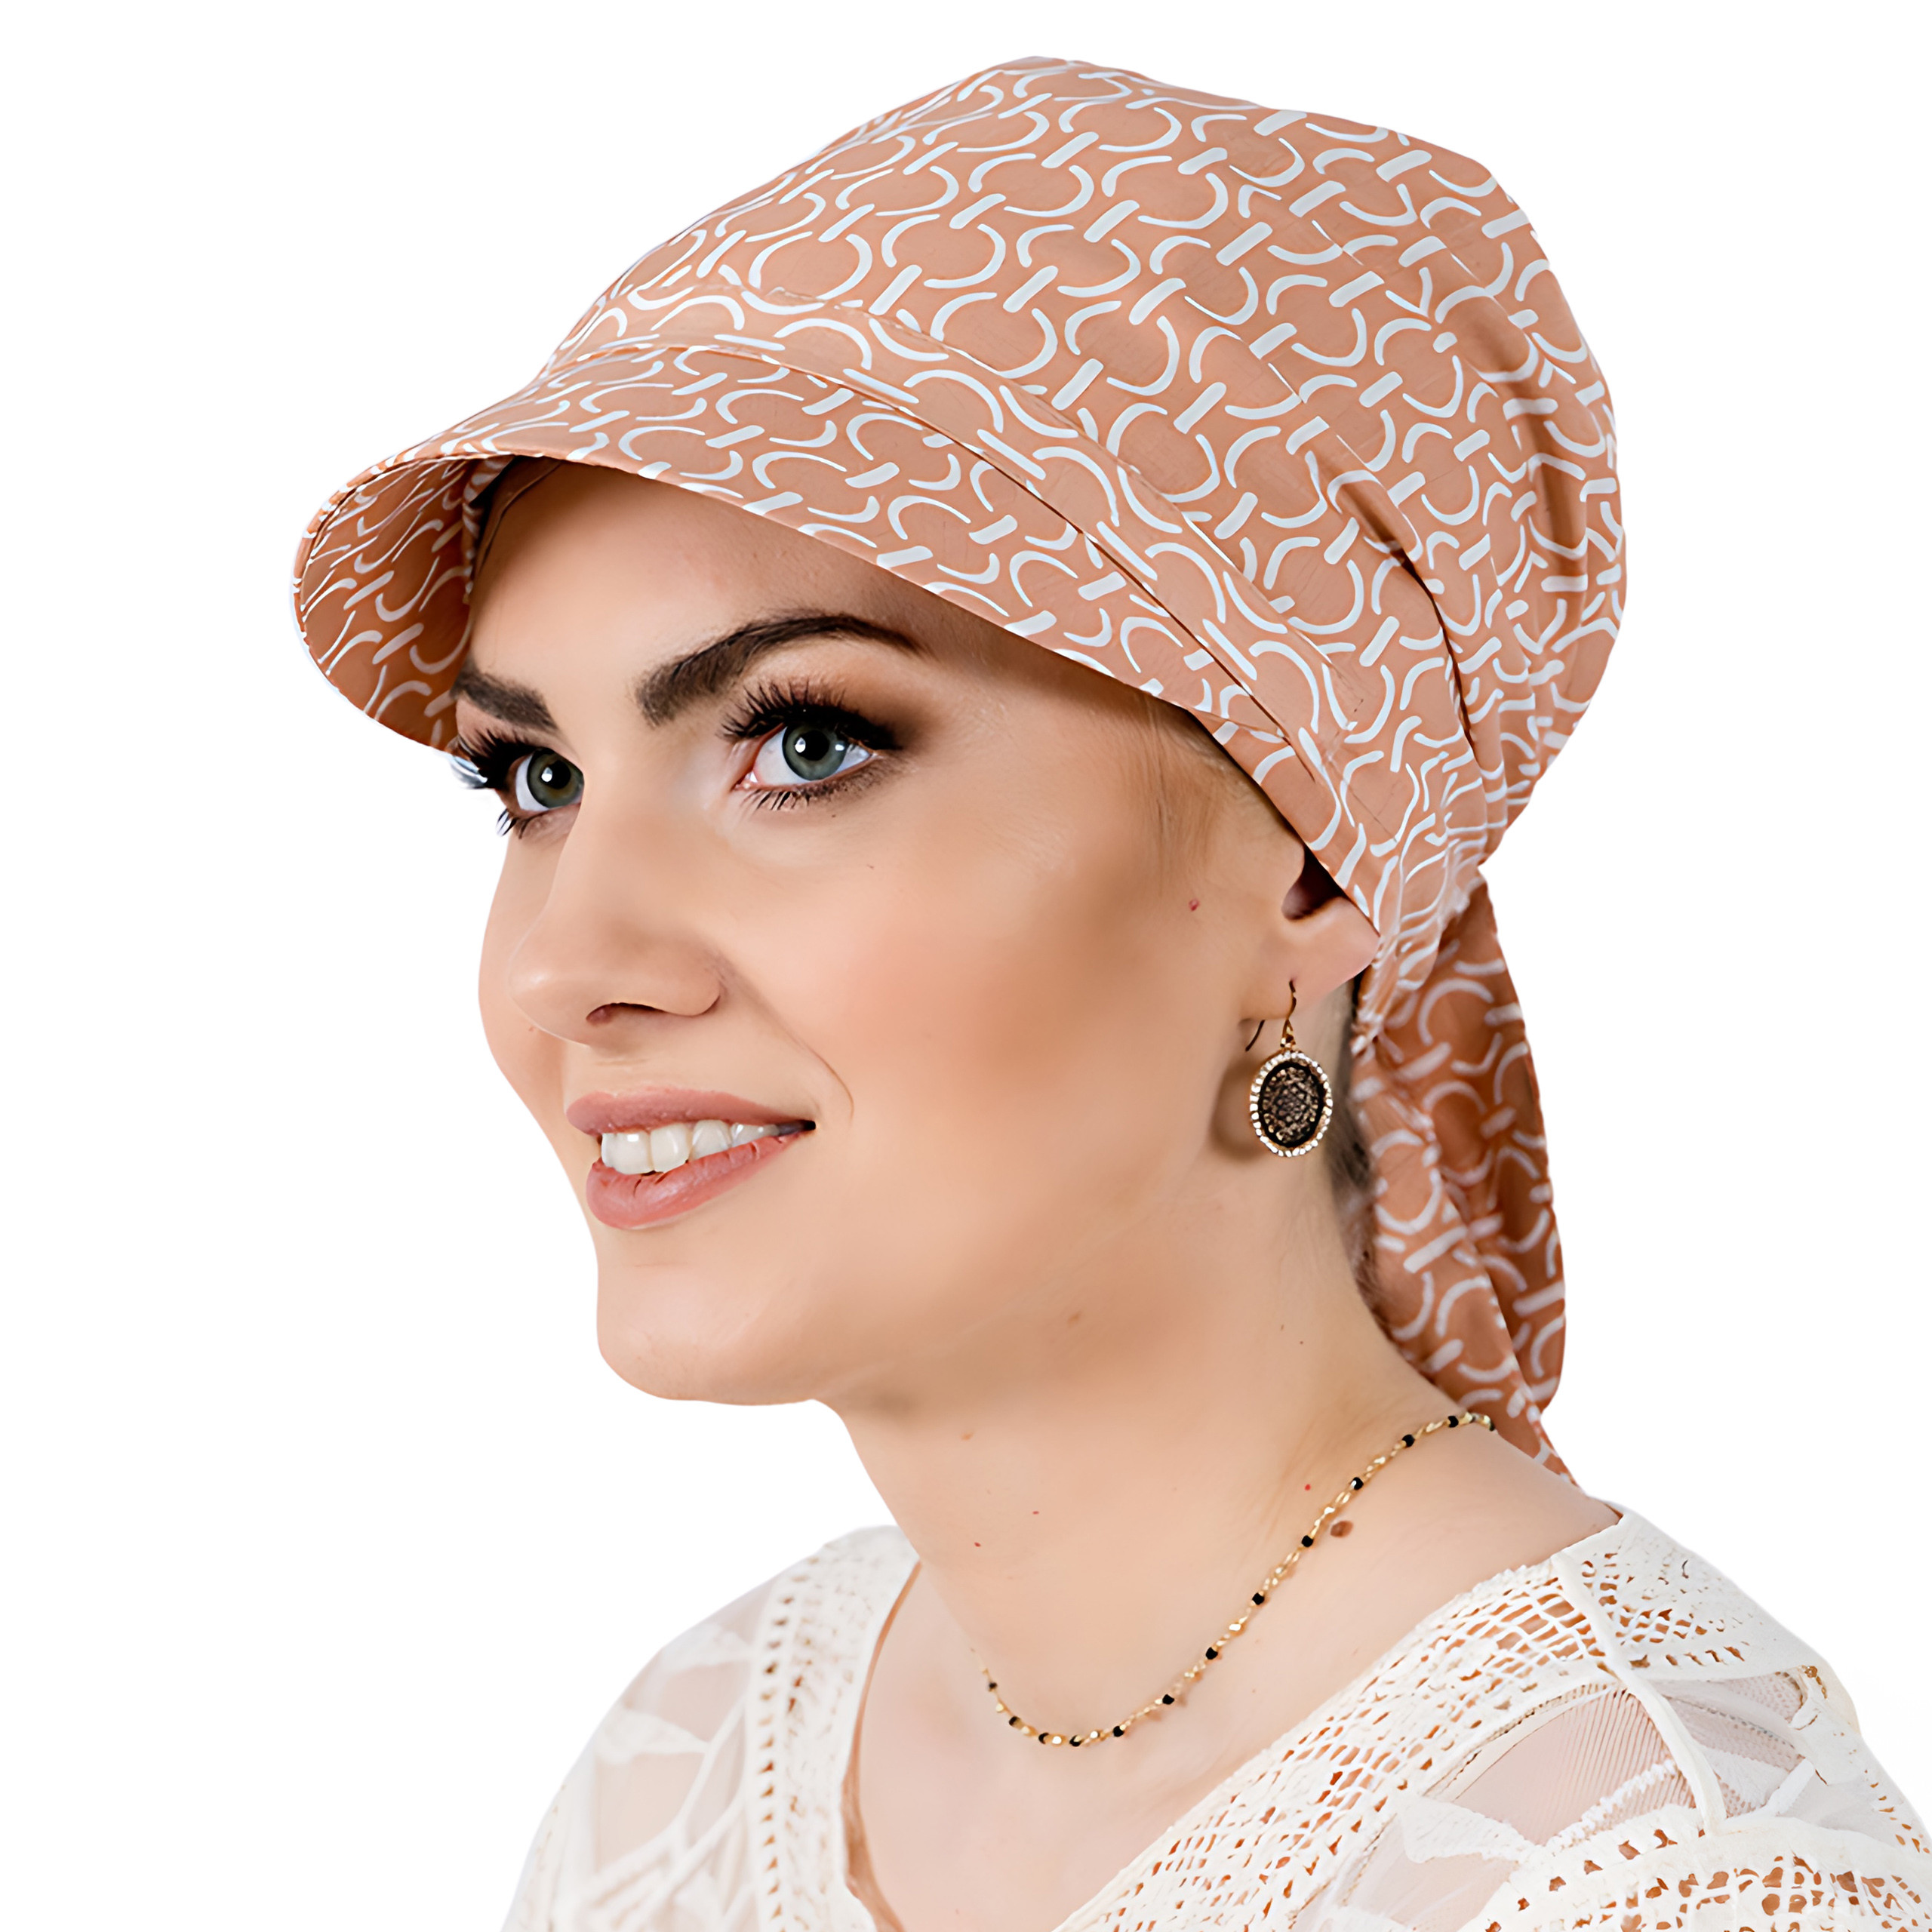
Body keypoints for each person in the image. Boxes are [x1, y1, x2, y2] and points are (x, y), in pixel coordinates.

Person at [291, 57, 1929, 1932]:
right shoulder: (702, 1757)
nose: (567, 961)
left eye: (806, 743)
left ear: (1313, 860)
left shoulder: (1651, 1874)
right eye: (533, 778)